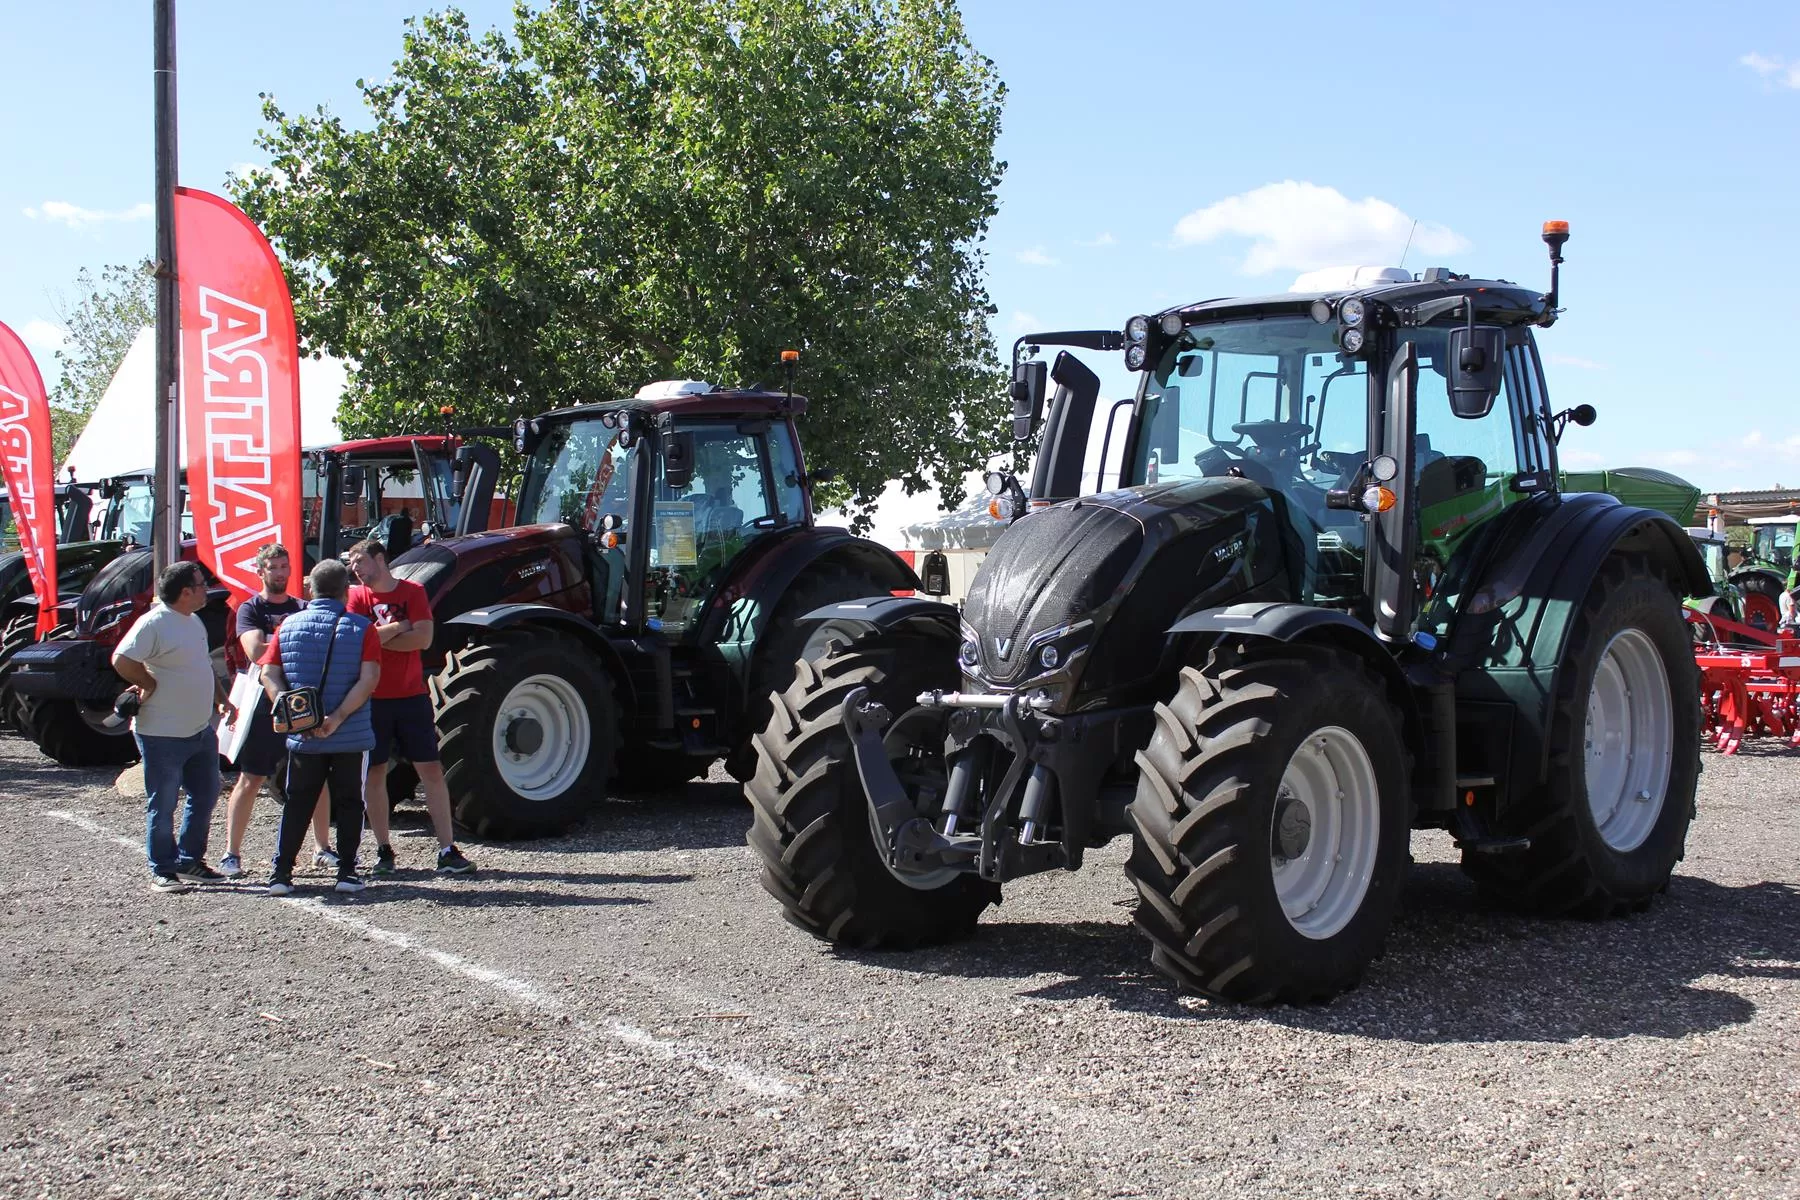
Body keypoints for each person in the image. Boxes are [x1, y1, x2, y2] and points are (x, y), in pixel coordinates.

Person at [344, 538, 476, 876]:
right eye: (351, 563)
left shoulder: (412, 591)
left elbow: (424, 639)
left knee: (431, 770)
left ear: (379, 559)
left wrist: (382, 634)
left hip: (411, 697)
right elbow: (360, 641)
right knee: (374, 774)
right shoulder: (356, 597)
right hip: (371, 699)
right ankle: (383, 850)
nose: (354, 568)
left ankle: (447, 849)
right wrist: (401, 626)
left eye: (359, 560)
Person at [259, 558, 382, 895]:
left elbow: (268, 672)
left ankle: (281, 874)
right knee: (349, 802)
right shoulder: (362, 628)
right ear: (346, 591)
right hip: (349, 734)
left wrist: (288, 706)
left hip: (303, 733)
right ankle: (346, 872)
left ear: (310, 588)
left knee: (298, 801)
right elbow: (369, 679)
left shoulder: (288, 626)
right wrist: (337, 717)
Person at [112, 561, 237, 892]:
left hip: (198, 729)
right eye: (200, 584)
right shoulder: (154, 623)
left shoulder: (192, 620)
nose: (205, 589)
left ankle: (189, 860)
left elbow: (202, 665)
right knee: (164, 801)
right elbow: (122, 660)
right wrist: (147, 684)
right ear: (185, 592)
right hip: (161, 732)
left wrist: (221, 698)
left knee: (206, 792)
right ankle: (163, 869)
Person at [217, 544, 336, 879]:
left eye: (285, 566)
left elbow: (320, 648)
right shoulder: (250, 609)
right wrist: (293, 644)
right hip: (264, 703)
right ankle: (231, 853)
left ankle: (322, 848)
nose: (280, 572)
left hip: (302, 701)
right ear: (260, 571)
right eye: (273, 567)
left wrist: (285, 645)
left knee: (316, 776)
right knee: (252, 777)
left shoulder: (303, 606)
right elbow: (256, 651)